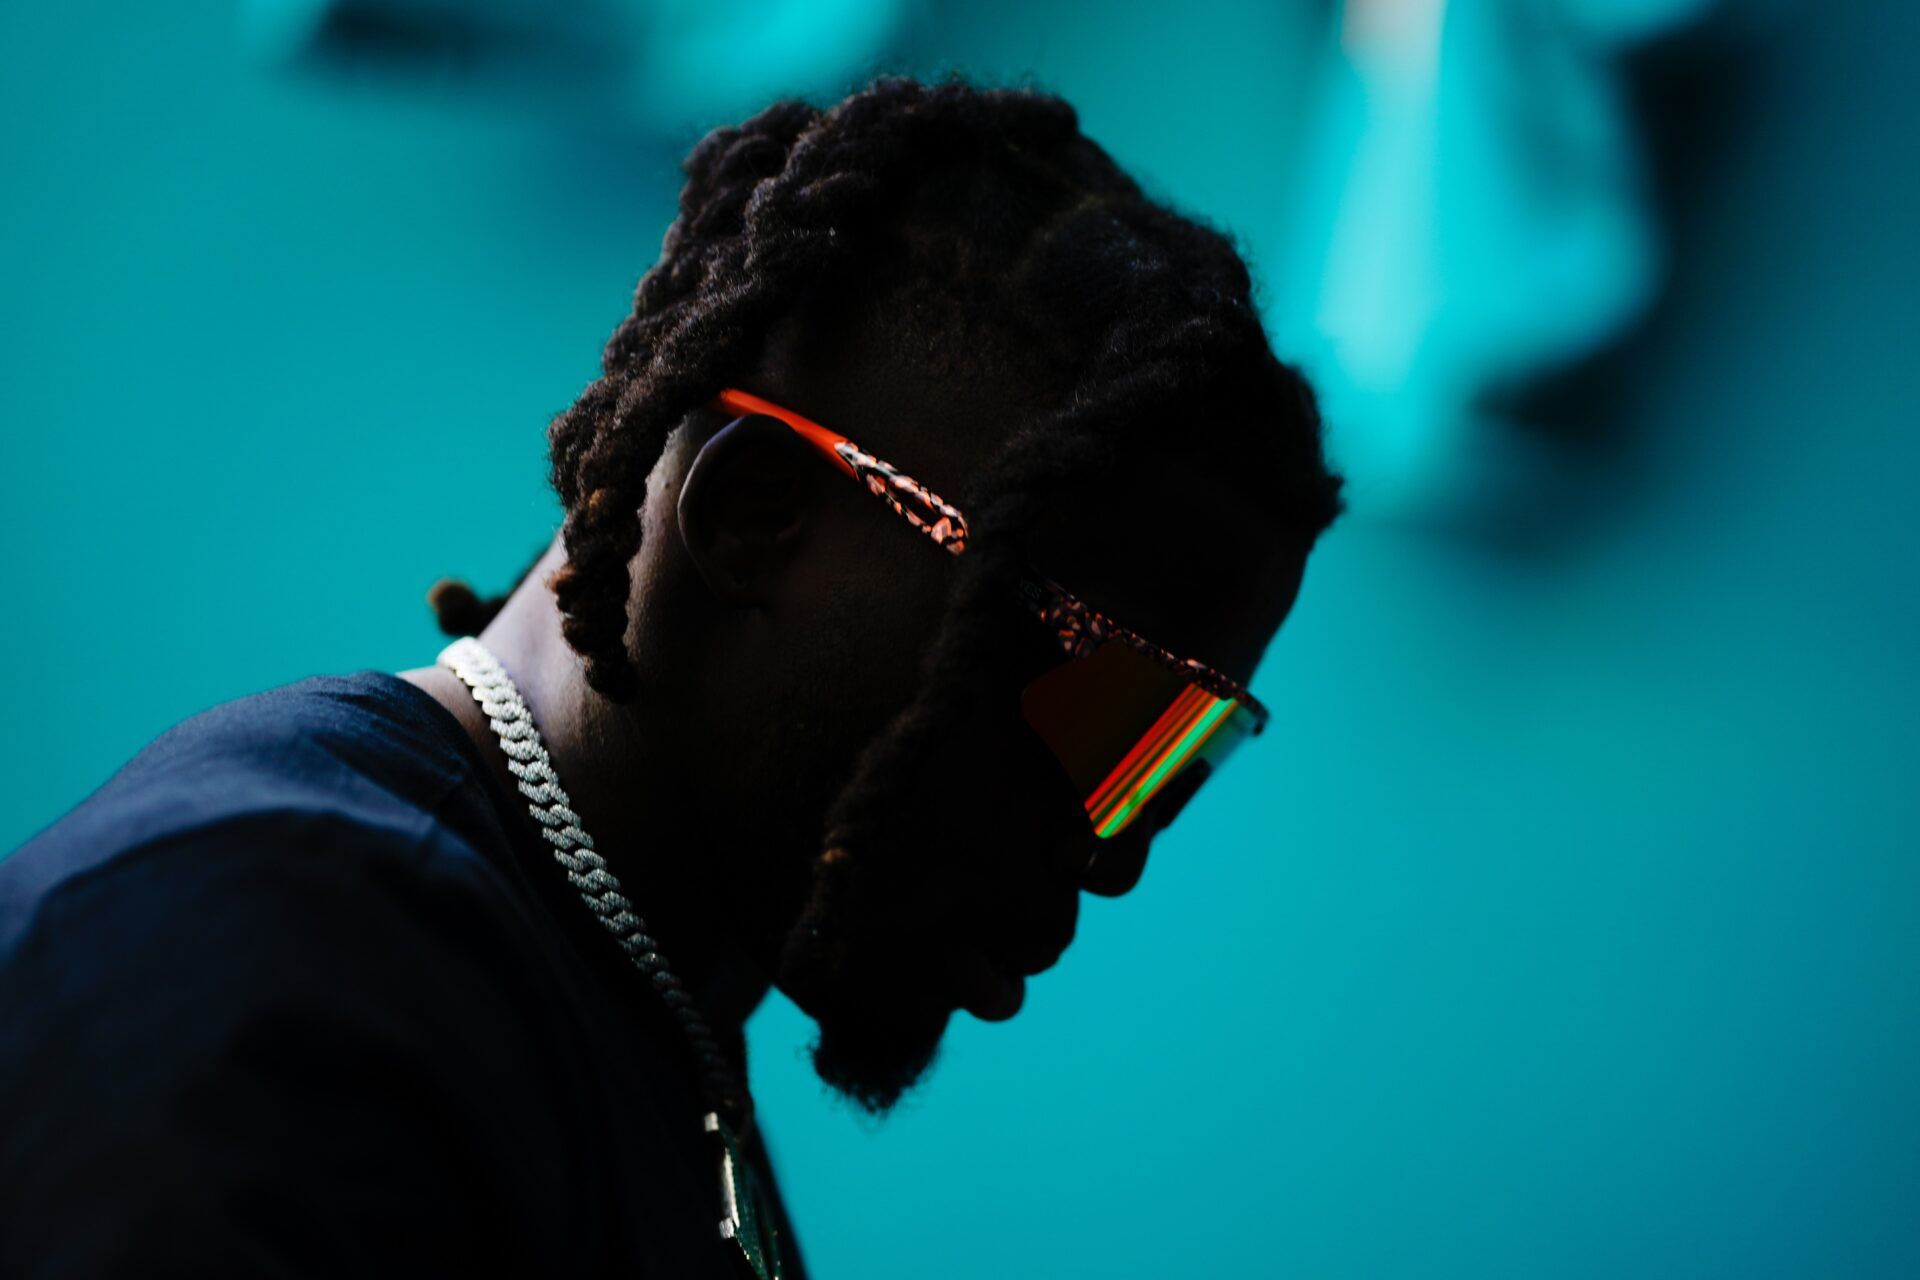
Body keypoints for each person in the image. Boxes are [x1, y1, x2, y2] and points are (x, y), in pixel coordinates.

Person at [0, 76, 1342, 1277]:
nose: (1118, 847)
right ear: (758, 514)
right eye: (1114, 706)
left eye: (1183, 753)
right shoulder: (264, 973)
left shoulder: (631, 1002)